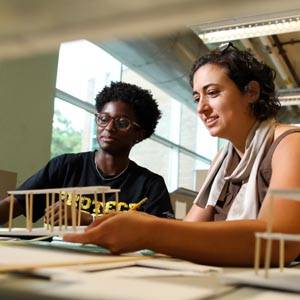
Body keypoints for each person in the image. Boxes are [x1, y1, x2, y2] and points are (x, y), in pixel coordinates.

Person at [64, 43, 300, 266]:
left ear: (251, 92)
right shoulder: (222, 161)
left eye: (213, 93)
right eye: (197, 97)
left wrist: (149, 229)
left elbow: (279, 243)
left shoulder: (291, 144)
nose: (201, 108)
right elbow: (189, 231)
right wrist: (117, 225)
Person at [0, 81, 174, 225]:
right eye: (104, 119)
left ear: (139, 134)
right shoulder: (65, 167)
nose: (109, 127)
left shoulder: (150, 185)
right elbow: (13, 205)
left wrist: (89, 219)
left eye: (122, 123)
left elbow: (164, 233)